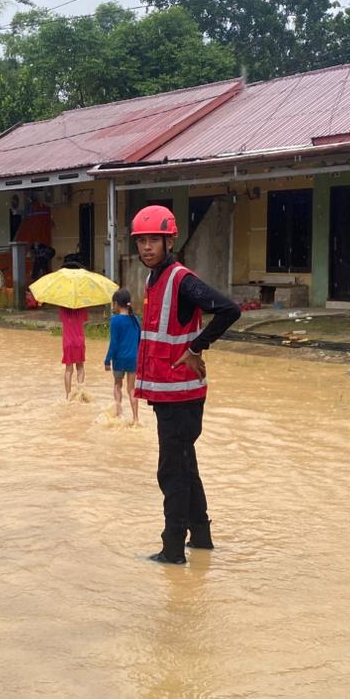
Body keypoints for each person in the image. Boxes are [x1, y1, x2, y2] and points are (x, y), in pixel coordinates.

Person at [132, 205, 241, 565]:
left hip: (182, 396)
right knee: (185, 466)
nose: (147, 247)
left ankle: (173, 551)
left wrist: (196, 348)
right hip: (169, 395)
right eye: (142, 241)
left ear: (169, 241)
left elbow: (228, 309)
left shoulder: (180, 279)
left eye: (153, 240)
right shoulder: (154, 280)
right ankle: (201, 539)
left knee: (172, 472)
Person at [104, 288, 141, 424]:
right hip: (133, 359)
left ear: (117, 304)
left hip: (119, 360)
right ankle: (136, 418)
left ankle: (119, 415)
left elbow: (114, 343)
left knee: (117, 385)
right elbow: (139, 341)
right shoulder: (136, 319)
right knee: (131, 389)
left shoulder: (115, 320)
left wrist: (107, 361)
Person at [59, 304, 87, 399]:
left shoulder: (63, 307)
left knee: (68, 370)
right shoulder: (82, 306)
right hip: (79, 341)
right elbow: (84, 319)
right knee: (80, 368)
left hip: (67, 342)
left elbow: (62, 319)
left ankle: (68, 396)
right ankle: (80, 394)